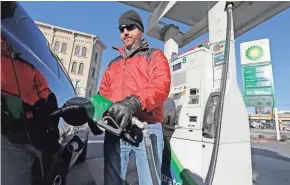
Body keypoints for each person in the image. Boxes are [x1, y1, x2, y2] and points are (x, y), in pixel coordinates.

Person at [98, 10, 171, 185]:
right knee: (112, 181)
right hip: (115, 130)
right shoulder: (112, 64)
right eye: (121, 29)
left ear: (140, 30)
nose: (125, 32)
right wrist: (93, 113)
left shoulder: (154, 56)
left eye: (130, 27)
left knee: (149, 181)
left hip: (147, 129)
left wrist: (134, 102)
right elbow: (103, 94)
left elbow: (161, 85)